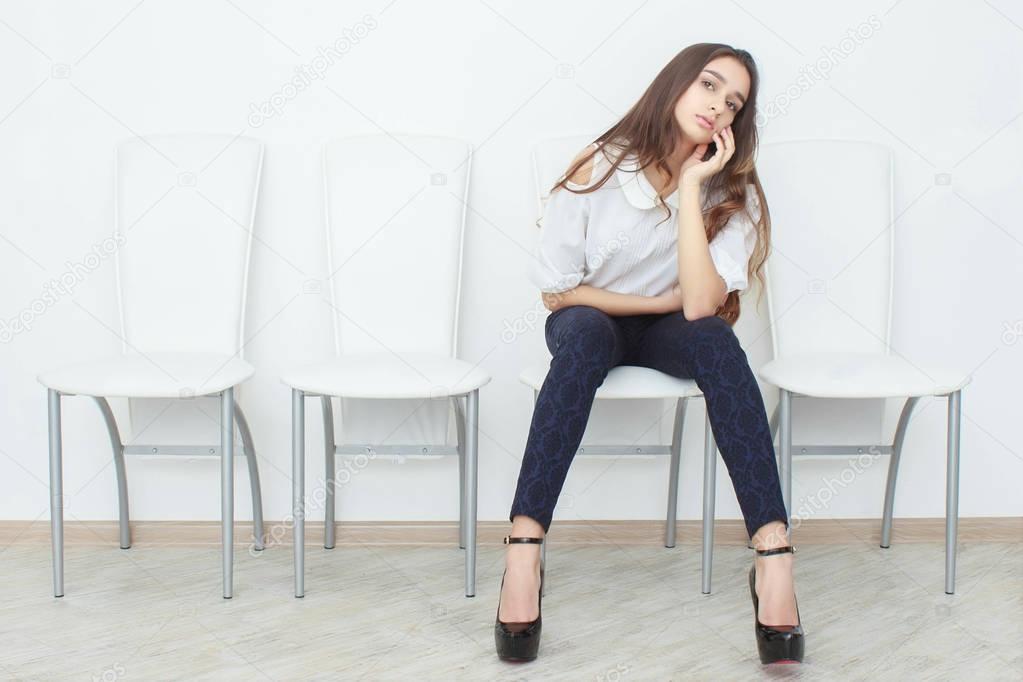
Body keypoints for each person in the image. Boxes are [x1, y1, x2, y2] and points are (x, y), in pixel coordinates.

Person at [494, 43, 805, 665]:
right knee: (583, 334)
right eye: (709, 86)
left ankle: (773, 557)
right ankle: (523, 551)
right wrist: (652, 303)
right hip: (590, 325)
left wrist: (692, 189)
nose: (717, 106)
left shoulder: (727, 193)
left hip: (675, 330)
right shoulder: (600, 167)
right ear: (676, 84)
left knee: (717, 339)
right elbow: (559, 293)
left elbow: (697, 309)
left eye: (733, 102)